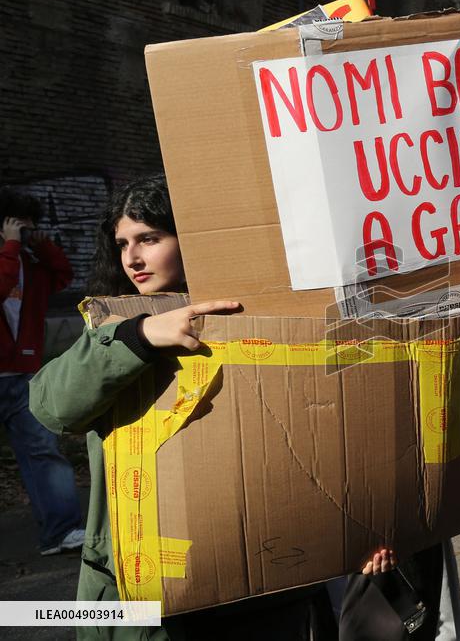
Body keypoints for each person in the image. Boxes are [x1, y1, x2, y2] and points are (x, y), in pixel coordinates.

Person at [29, 175, 335, 640]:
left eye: (150, 238)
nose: (132, 258)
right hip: (142, 595)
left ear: (192, 238)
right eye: (123, 243)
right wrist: (139, 336)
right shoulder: (114, 327)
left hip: (264, 582)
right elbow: (51, 407)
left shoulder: (267, 319)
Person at [0, 188, 84, 556]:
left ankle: (61, 532)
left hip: (22, 375)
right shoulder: (10, 258)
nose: (25, 232)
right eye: (18, 225)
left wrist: (42, 246)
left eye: (29, 227)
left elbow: (63, 276)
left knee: (43, 451)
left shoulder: (30, 264)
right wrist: (10, 248)